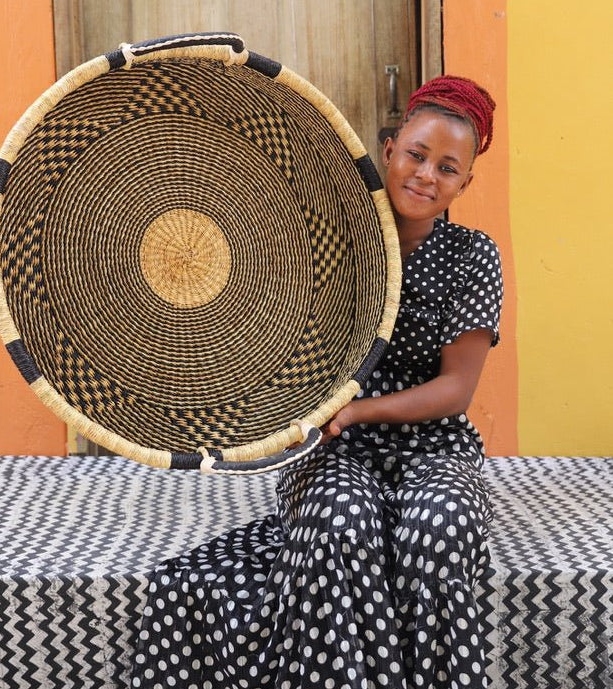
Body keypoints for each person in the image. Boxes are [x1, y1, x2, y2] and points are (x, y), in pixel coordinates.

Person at [130, 75, 503, 689]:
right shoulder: (326, 240)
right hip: (329, 443)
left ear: (466, 181)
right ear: (388, 148)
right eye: (416, 154)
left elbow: (455, 391)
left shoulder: (473, 256)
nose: (426, 175)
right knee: (338, 522)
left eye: (448, 167)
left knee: (436, 530)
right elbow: (262, 337)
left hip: (429, 442)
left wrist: (357, 412)